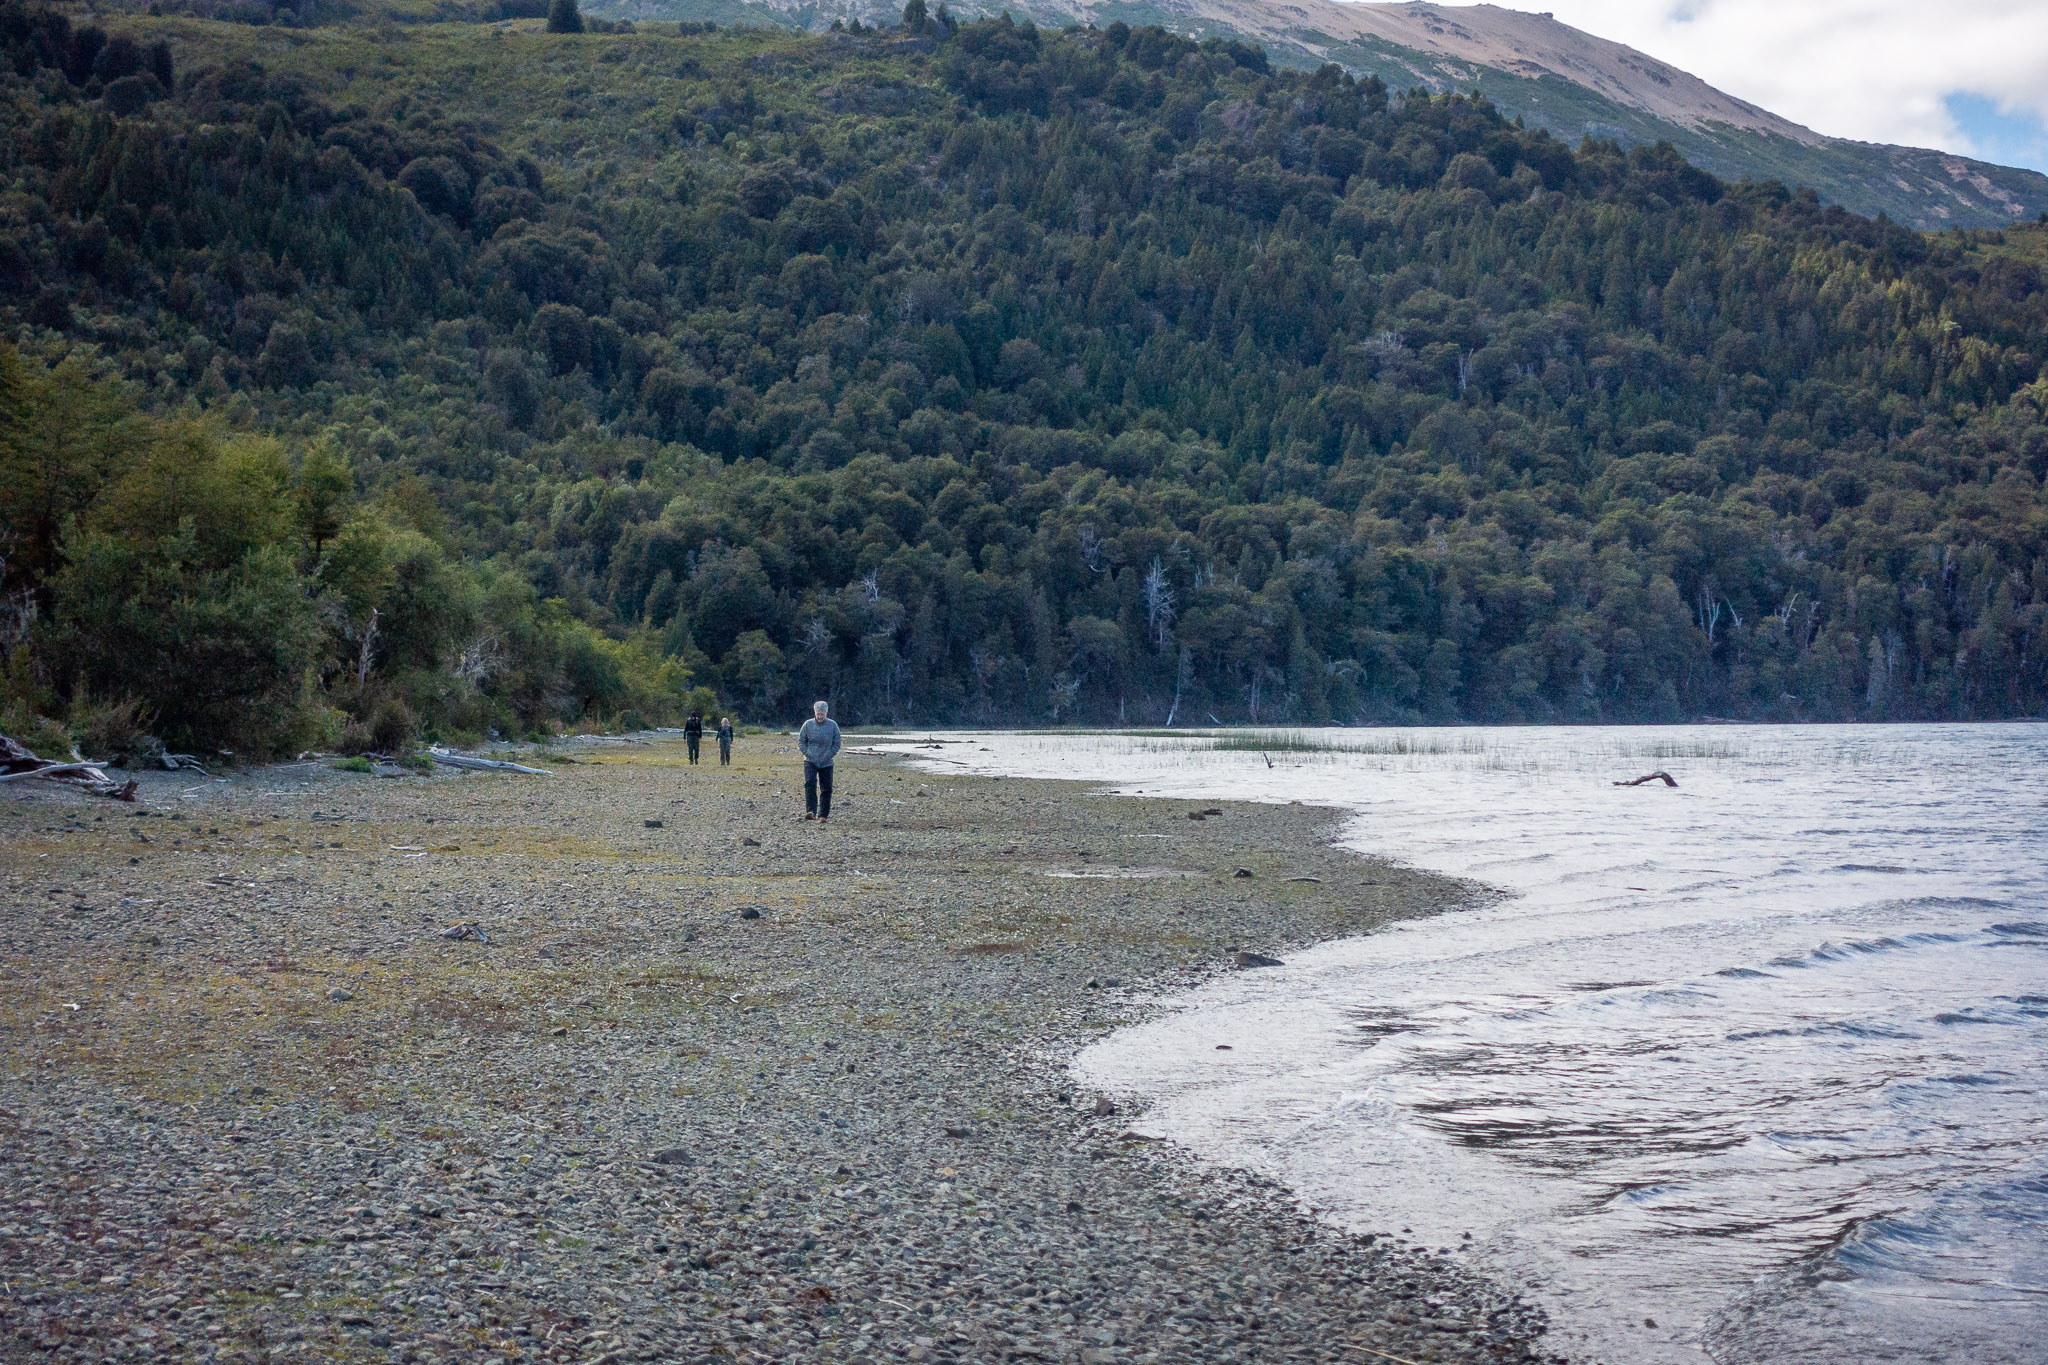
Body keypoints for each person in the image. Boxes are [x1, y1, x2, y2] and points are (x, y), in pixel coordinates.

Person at [797, 699, 841, 823]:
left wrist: (830, 754)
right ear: (815, 713)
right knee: (810, 784)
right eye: (818, 714)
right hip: (810, 761)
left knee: (826, 788)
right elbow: (801, 741)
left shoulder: (832, 725)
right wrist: (808, 753)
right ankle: (811, 812)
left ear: (826, 713)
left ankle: (823, 815)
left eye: (822, 714)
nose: (820, 716)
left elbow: (837, 742)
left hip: (827, 762)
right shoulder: (807, 724)